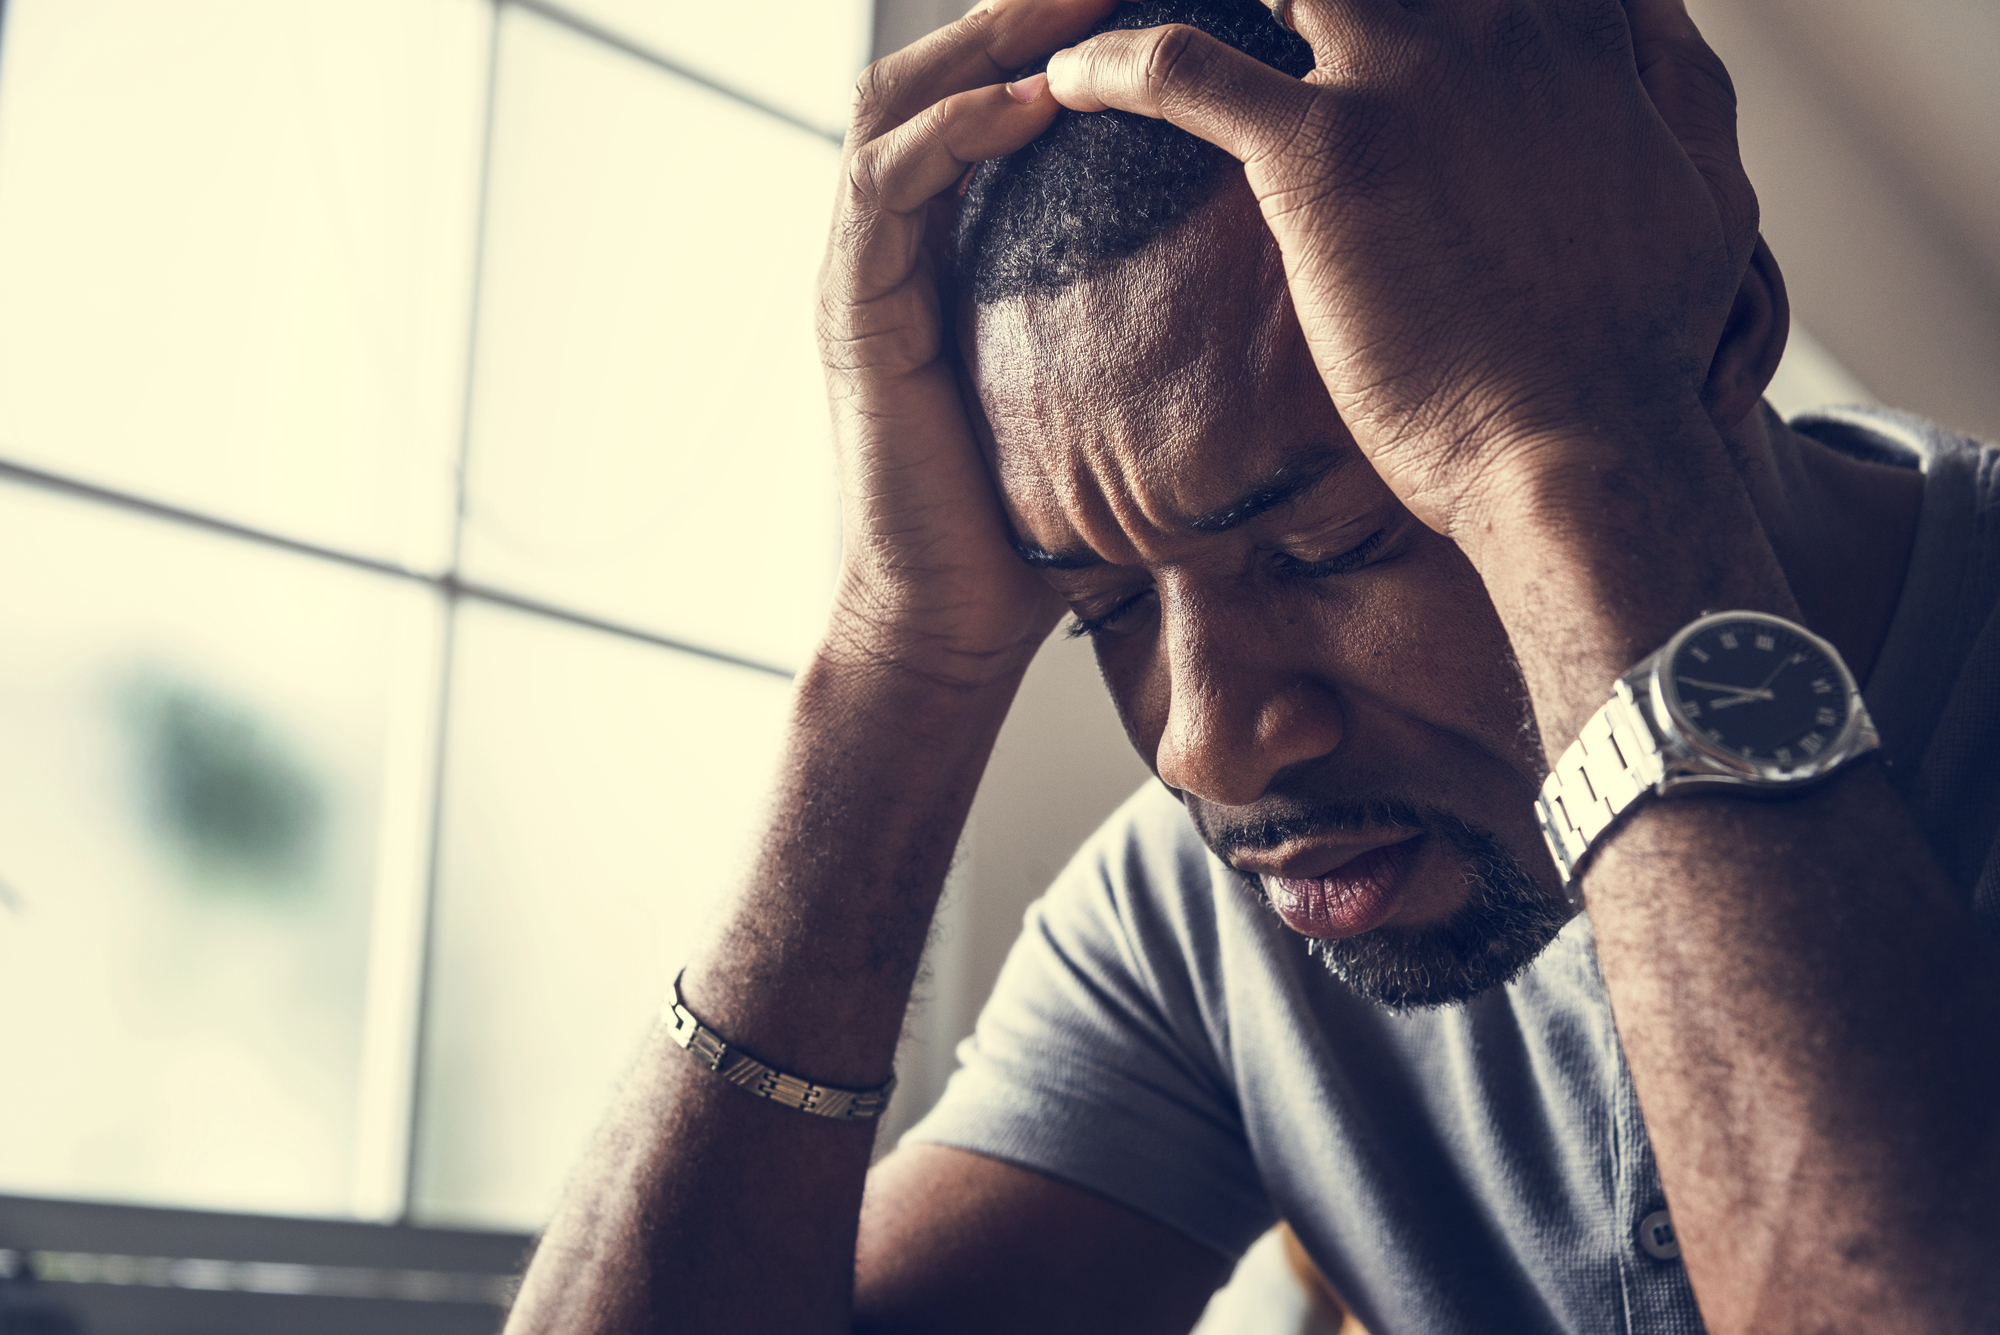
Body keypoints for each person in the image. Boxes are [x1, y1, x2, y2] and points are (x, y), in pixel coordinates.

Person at [505, 0, 2000, 1330]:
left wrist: (1575, 452)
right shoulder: (1192, 926)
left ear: (1718, 332)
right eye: (1104, 611)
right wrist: (896, 657)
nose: (1205, 749)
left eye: (1334, 550)